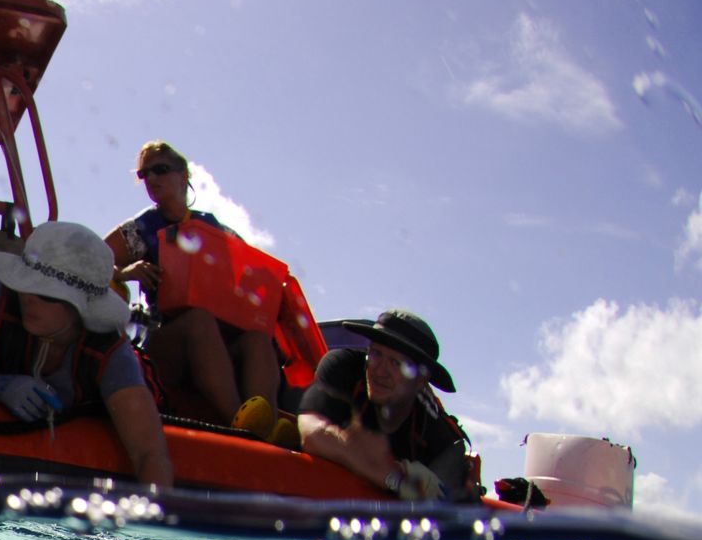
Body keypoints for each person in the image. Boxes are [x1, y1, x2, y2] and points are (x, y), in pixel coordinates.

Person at [0, 221, 174, 488]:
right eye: (25, 285)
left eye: (47, 294)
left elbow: (149, 453)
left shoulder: (110, 353)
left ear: (81, 310)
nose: (29, 298)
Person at [107, 141, 277, 425]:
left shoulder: (215, 229)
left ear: (183, 175)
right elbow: (91, 261)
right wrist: (125, 272)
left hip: (217, 342)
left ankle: (267, 425)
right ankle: (240, 423)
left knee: (257, 339)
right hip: (164, 341)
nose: (150, 179)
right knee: (200, 321)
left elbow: (253, 272)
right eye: (143, 174)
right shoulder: (142, 228)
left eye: (159, 170)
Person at [297, 309, 475, 501]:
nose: (380, 371)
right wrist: (395, 477)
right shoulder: (343, 366)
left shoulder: (438, 433)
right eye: (376, 354)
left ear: (421, 380)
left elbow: (452, 506)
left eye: (396, 363)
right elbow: (311, 433)